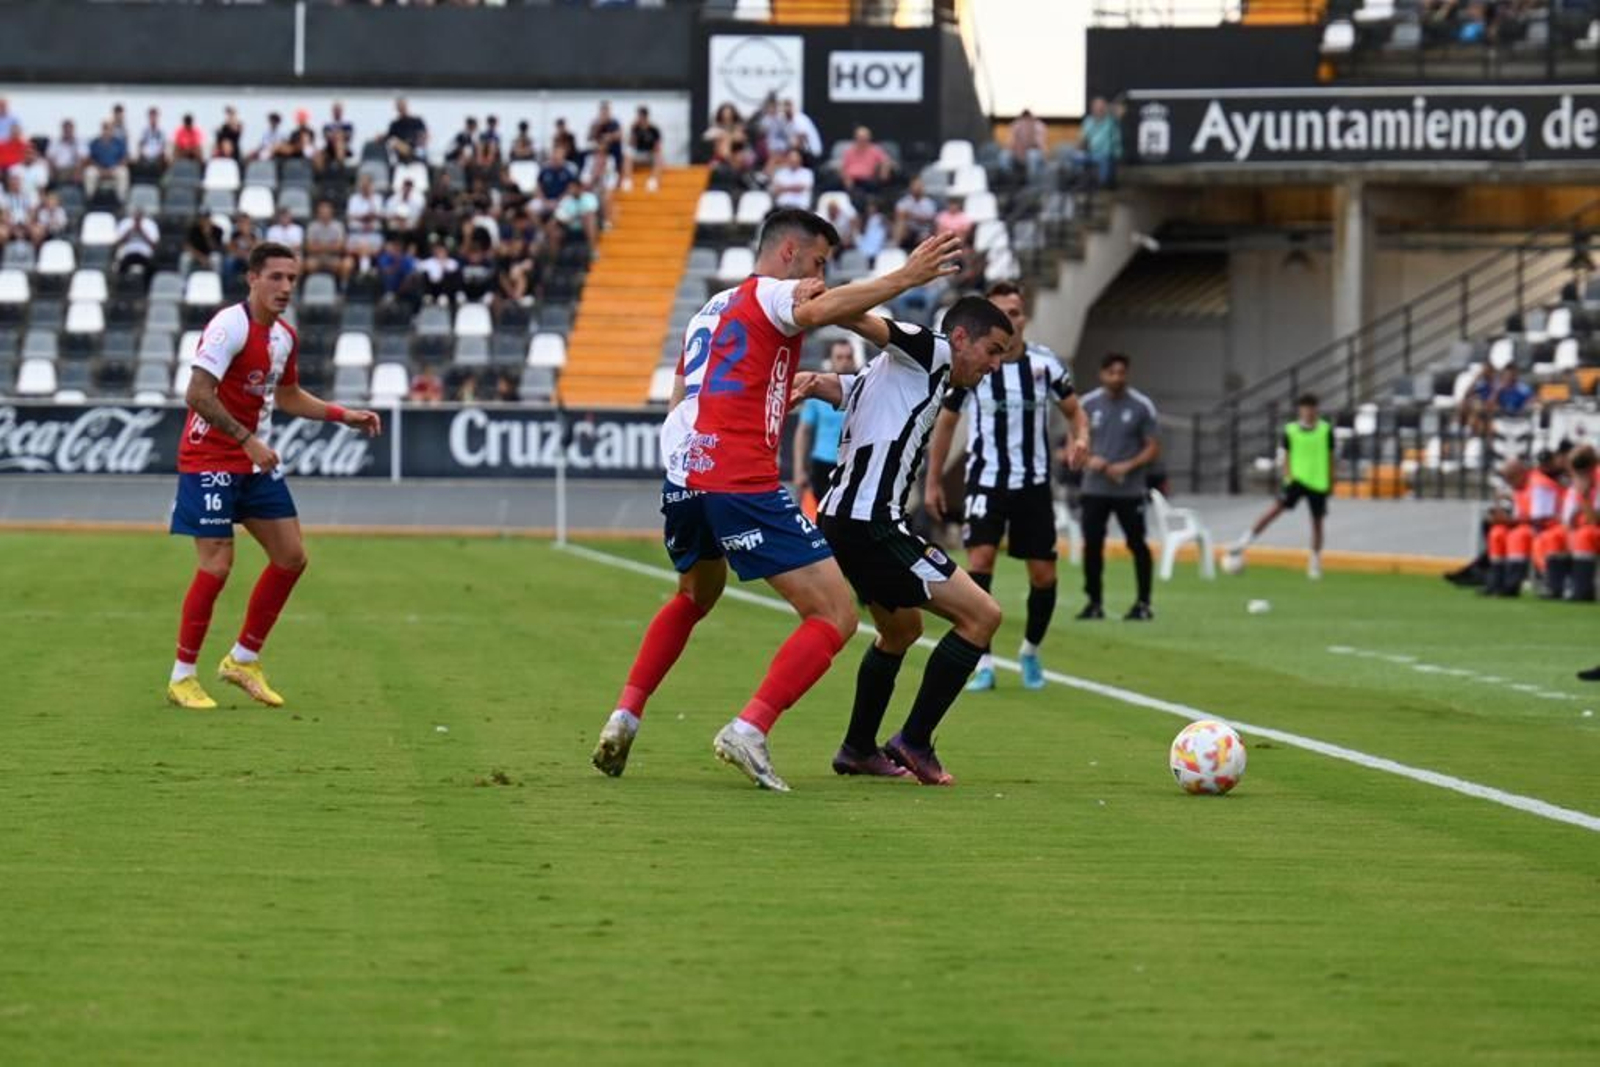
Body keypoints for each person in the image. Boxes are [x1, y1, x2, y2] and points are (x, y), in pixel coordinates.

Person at [588, 215, 965, 792]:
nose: (820, 278)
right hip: (740, 478)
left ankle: (625, 716)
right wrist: (905, 276)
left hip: (685, 472)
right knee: (835, 614)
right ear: (789, 252)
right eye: (818, 264)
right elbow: (817, 311)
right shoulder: (775, 291)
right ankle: (750, 727)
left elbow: (680, 393)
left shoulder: (711, 308)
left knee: (694, 595)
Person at [796, 297, 1014, 784]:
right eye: (993, 351)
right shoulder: (933, 350)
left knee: (901, 631)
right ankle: (913, 741)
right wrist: (830, 302)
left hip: (845, 521)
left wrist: (809, 384)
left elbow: (844, 389)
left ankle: (857, 748)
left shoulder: (895, 377)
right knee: (983, 616)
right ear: (961, 339)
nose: (995, 366)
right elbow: (864, 320)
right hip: (871, 524)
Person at [164, 241, 382, 710]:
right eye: (276, 277)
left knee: (291, 556)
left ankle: (243, 659)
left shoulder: (284, 336)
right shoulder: (229, 326)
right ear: (253, 278)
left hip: (252, 460)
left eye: (292, 279)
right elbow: (197, 394)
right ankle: (182, 676)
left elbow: (287, 396)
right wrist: (246, 439)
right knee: (217, 564)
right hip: (211, 458)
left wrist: (344, 414)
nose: (285, 287)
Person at [924, 281, 1090, 691]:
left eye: (1014, 313)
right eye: (1000, 313)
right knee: (979, 563)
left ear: (1024, 316)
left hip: (1032, 483)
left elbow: (1074, 411)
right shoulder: (975, 365)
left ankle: (1030, 651)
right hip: (985, 480)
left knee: (1044, 576)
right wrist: (932, 481)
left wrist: (1080, 437)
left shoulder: (1045, 365)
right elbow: (946, 422)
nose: (1009, 321)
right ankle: (983, 661)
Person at [1077, 353, 1160, 620]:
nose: (1116, 378)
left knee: (1137, 544)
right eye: (1111, 372)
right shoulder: (1087, 404)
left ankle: (1144, 603)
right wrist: (1091, 460)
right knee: (1092, 545)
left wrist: (1128, 465)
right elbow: (1072, 444)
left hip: (1129, 489)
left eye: (1121, 372)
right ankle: (1094, 602)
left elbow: (1153, 448)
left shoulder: (1141, 406)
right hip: (1094, 489)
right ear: (1102, 374)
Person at [1226, 393, 1334, 579]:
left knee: (1317, 523)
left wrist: (1331, 480)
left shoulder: (1325, 430)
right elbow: (1286, 455)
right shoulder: (1291, 430)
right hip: (1297, 480)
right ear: (1300, 410)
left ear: (1316, 409)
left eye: (1312, 407)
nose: (1308, 411)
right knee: (1273, 511)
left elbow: (1331, 457)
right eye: (1305, 407)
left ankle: (1315, 562)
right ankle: (1243, 542)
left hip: (1318, 482)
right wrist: (1288, 476)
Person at [1483, 452, 1563, 597]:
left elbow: (1540, 519)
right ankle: (1495, 582)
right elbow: (1519, 513)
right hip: (1529, 524)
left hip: (1549, 526)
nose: (1508, 482)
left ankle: (1512, 584)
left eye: (1510, 477)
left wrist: (1508, 521)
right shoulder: (1519, 486)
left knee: (1518, 536)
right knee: (1497, 533)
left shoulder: (1539, 485)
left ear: (1520, 473)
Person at [792, 339, 857, 509]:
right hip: (823, 462)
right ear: (831, 360)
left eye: (848, 357)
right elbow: (803, 431)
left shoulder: (862, 390)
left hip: (852, 464)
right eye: (839, 357)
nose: (844, 362)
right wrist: (799, 470)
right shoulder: (817, 390)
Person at [1537, 444, 1598, 601]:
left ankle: (1582, 590)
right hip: (1581, 529)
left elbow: (1594, 520)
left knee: (1584, 535)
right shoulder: (1575, 485)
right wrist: (1570, 530)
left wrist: (1584, 497)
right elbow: (1567, 520)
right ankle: (1555, 587)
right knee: (1554, 536)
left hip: (1593, 530)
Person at [1075, 96, 1122, 190]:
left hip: (1107, 153)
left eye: (1101, 107)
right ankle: (1080, 182)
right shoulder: (1088, 121)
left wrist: (1109, 108)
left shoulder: (1111, 120)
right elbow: (1082, 139)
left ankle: (1102, 185)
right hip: (1091, 152)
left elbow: (1121, 111)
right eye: (1096, 107)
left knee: (1104, 158)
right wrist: (1081, 145)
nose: (1098, 109)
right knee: (1075, 156)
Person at [622, 106, 663, 193]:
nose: (638, 118)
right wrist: (631, 130)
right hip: (639, 154)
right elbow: (630, 144)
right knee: (627, 155)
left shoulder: (654, 130)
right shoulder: (635, 128)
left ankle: (653, 181)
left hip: (649, 154)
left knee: (658, 156)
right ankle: (627, 180)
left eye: (640, 116)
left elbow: (658, 146)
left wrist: (654, 151)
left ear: (645, 117)